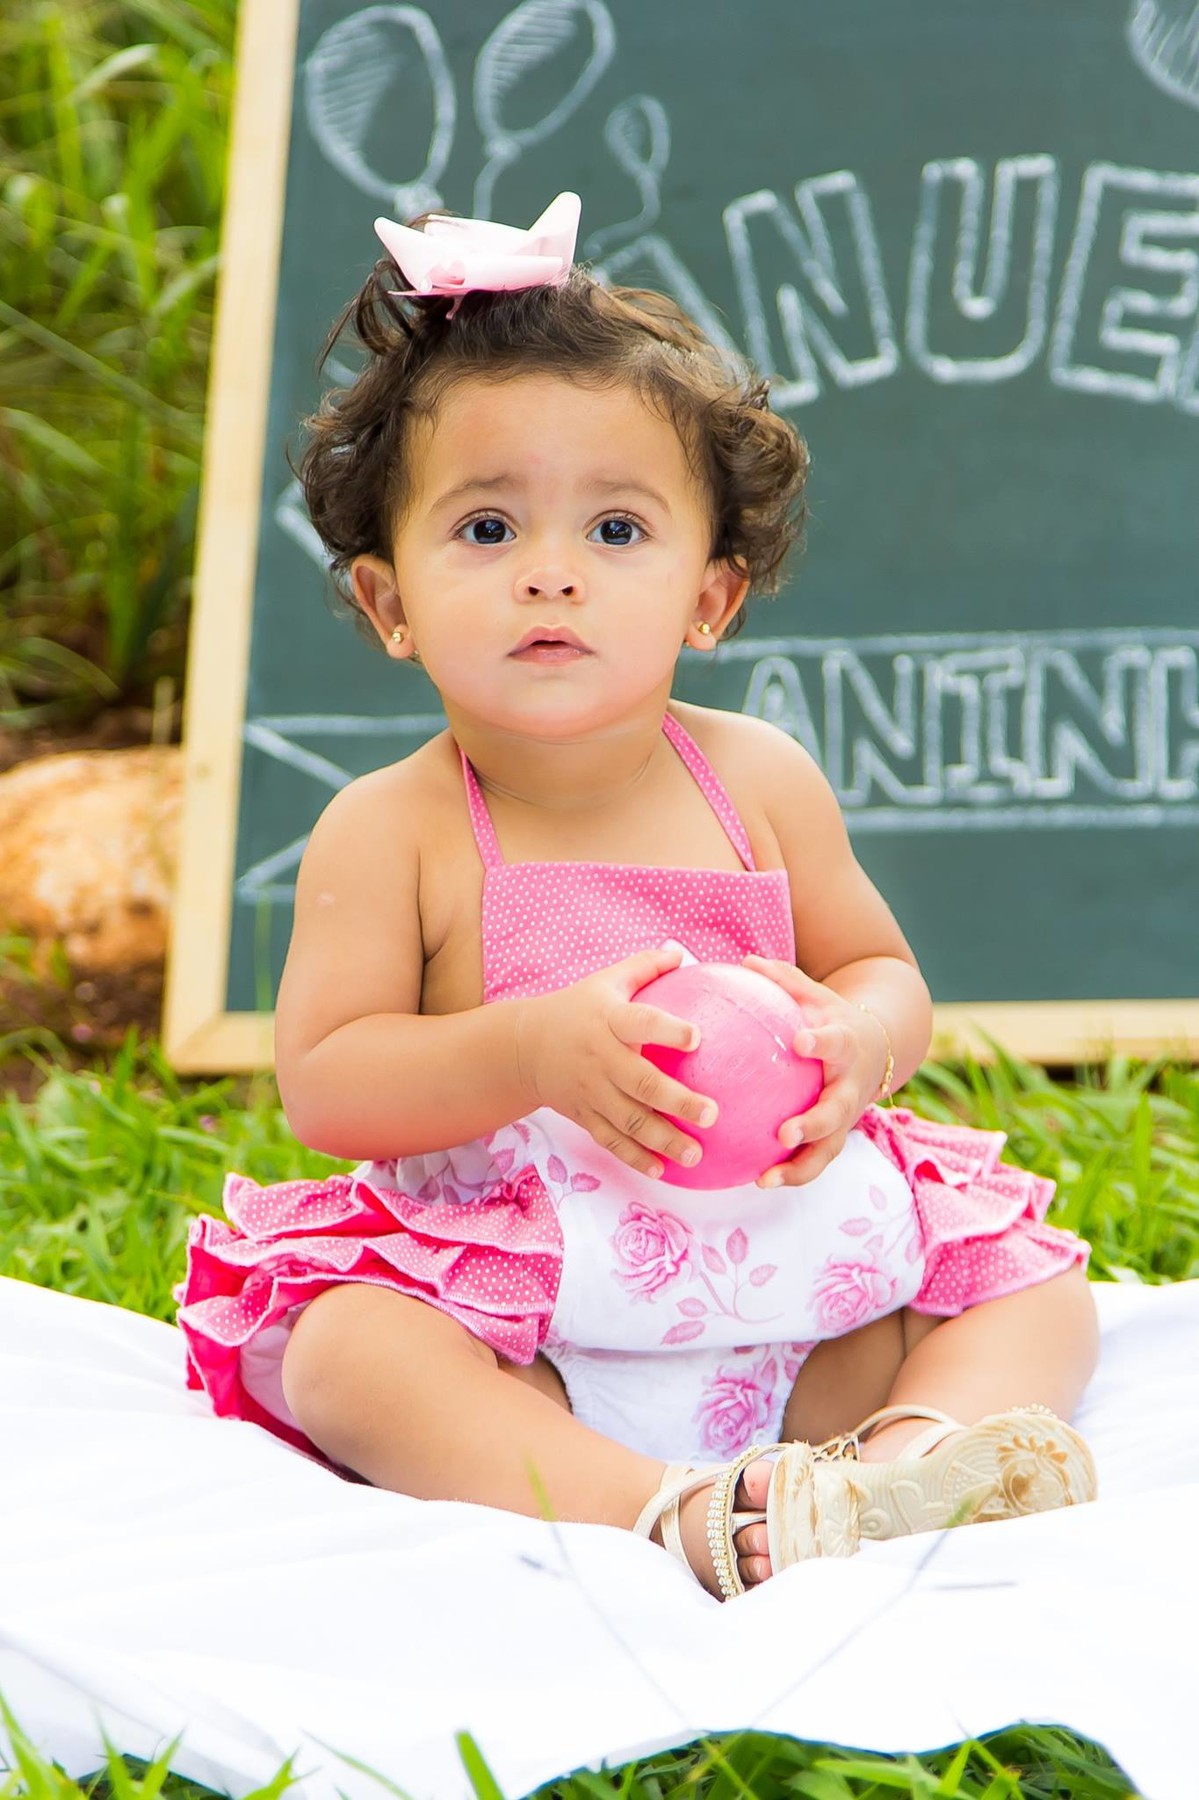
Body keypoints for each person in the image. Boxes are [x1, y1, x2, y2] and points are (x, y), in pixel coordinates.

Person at [178, 193, 1099, 1601]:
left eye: (616, 529)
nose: (551, 573)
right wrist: (529, 1051)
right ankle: (661, 1508)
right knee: (351, 1356)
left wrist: (861, 1042)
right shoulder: (392, 829)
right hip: (535, 1316)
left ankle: (903, 1465)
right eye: (487, 528)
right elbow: (329, 1083)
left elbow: (884, 973)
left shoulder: (760, 778)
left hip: (790, 1275)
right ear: (388, 602)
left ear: (709, 599)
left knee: (1031, 1282)